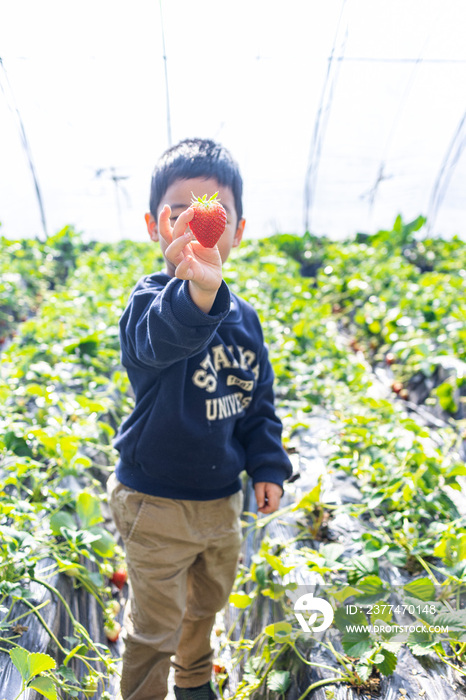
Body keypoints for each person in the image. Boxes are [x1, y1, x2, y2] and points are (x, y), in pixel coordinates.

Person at [107, 138, 293, 700]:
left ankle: (192, 684)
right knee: (156, 621)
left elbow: (256, 401)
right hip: (155, 502)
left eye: (214, 211)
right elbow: (156, 343)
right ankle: (143, 693)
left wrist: (267, 465)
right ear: (154, 225)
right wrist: (197, 293)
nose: (198, 222)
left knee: (206, 605)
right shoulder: (151, 303)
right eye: (181, 212)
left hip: (220, 501)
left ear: (237, 230)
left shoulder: (247, 320)